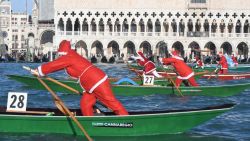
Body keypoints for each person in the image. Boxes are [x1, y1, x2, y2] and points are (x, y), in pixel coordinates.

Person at [35, 40, 128, 116]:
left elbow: (54, 65)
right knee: (85, 104)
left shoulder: (69, 57)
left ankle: (127, 120)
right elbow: (58, 66)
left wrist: (39, 71)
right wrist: (41, 72)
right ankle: (89, 122)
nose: (60, 55)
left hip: (97, 81)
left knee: (111, 102)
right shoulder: (71, 56)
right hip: (89, 85)